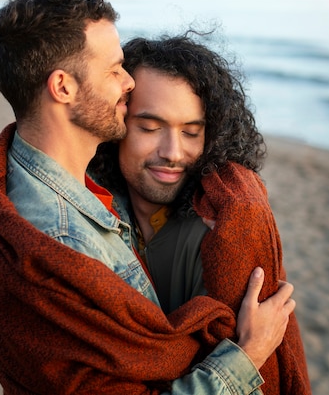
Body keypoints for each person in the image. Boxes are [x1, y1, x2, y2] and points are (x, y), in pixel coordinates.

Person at [0, 0, 296, 394]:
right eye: (114, 69)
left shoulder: (77, 184)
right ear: (63, 87)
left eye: (191, 131)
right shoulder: (58, 239)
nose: (128, 82)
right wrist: (248, 355)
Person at [89, 34, 312, 394]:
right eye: (150, 128)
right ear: (115, 124)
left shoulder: (219, 234)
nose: (173, 152)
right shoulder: (88, 212)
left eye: (191, 132)